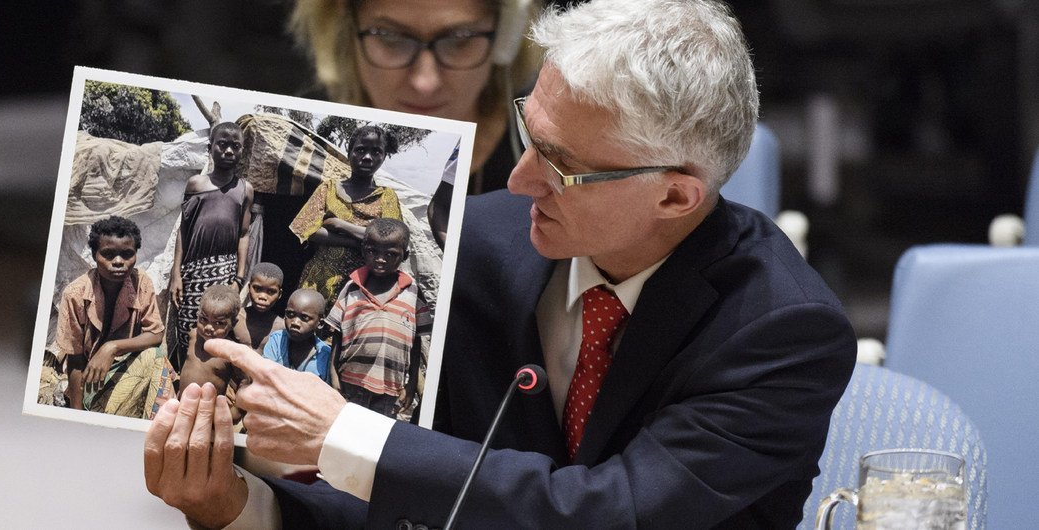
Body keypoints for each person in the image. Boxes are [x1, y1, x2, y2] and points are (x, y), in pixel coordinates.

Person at [144, 1, 857, 528]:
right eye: (528, 132)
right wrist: (237, 505)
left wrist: (348, 436)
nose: (516, 180)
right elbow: (425, 502)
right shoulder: (483, 244)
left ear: (675, 194)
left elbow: (611, 513)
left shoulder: (782, 330)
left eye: (562, 166)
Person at [288, 0, 546, 247]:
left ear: (505, 37)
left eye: (460, 40)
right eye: (390, 37)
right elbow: (300, 228)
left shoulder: (551, 153)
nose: (425, 83)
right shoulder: (304, 137)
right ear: (346, 28)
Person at [53, 216, 171, 418]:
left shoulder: (141, 282)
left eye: (127, 254)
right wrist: (76, 417)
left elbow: (156, 334)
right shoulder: (75, 294)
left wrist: (112, 347)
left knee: (156, 356)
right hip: (92, 381)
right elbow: (75, 361)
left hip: (125, 371)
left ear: (135, 255)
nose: (118, 262)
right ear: (94, 254)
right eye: (108, 254)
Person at [169, 122, 256, 373]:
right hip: (193, 272)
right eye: (223, 144)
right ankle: (185, 381)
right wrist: (176, 274)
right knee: (190, 328)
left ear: (242, 151)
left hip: (224, 273)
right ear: (211, 148)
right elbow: (183, 231)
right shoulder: (195, 184)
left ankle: (214, 382)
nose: (229, 151)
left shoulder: (245, 190)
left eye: (235, 146)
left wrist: (239, 279)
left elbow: (243, 233)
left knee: (219, 329)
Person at [289, 125, 403, 310]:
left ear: (383, 157)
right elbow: (306, 229)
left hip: (363, 285)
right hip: (319, 278)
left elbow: (391, 240)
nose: (367, 157)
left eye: (376, 152)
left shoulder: (386, 196)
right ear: (349, 153)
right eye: (360, 150)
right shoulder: (329, 188)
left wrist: (339, 224)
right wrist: (362, 241)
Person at [327, 218, 429, 418]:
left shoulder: (413, 293)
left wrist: (409, 386)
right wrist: (333, 373)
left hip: (390, 388)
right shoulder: (352, 287)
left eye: (390, 254)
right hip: (350, 383)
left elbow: (416, 341)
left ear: (404, 256)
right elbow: (337, 334)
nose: (380, 259)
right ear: (364, 250)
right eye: (373, 252)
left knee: (376, 441)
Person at [178, 284, 243, 399]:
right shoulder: (193, 335)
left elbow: (243, 381)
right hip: (181, 402)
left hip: (207, 410)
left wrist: (236, 410)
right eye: (203, 319)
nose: (208, 327)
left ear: (233, 324)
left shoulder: (230, 352)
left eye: (218, 323)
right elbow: (186, 361)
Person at [261, 289, 332, 385]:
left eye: (304, 318)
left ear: (320, 323)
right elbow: (264, 376)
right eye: (290, 314)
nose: (295, 323)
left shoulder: (325, 357)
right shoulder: (277, 340)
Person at [233, 262, 286, 351]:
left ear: (279, 294)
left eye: (271, 292)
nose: (262, 297)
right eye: (257, 289)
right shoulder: (235, 318)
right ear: (249, 288)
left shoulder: (281, 327)